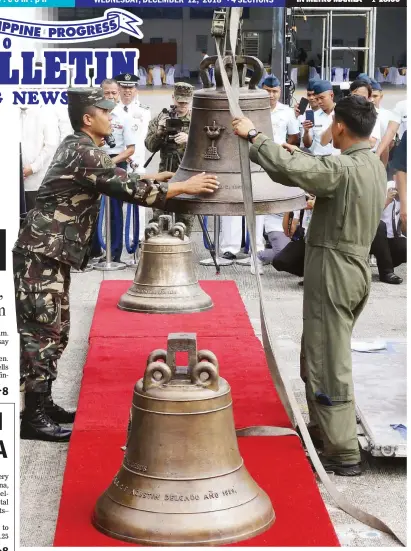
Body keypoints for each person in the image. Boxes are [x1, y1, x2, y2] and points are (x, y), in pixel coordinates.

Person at [14, 87, 219, 443]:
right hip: (40, 256)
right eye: (105, 112)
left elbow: (117, 177)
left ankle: (42, 405)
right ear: (88, 119)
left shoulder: (82, 146)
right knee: (42, 333)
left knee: (55, 331)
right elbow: (127, 189)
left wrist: (157, 178)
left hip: (50, 254)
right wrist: (185, 186)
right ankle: (33, 417)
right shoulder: (82, 151)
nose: (112, 117)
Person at [232, 95, 386, 476]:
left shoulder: (345, 169)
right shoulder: (369, 164)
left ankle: (342, 451)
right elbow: (312, 170)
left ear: (340, 127)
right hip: (347, 268)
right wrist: (280, 151)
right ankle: (323, 431)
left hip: (335, 269)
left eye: (331, 122)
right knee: (316, 352)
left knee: (329, 362)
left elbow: (313, 173)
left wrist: (254, 136)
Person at [145, 82, 195, 235]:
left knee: (184, 220)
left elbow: (207, 147)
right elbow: (150, 146)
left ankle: (183, 250)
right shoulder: (161, 118)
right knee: (158, 218)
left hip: (186, 174)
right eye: (180, 102)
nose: (183, 105)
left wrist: (190, 138)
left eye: (186, 102)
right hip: (164, 174)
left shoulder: (196, 119)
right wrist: (159, 133)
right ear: (173, 98)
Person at [20, 105, 59, 212]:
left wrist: (32, 168)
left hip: (36, 183)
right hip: (11, 183)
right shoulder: (9, 112)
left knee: (33, 221)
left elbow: (51, 145)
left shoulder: (45, 113)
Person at [370, 179, 406, 284]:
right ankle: (386, 272)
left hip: (392, 239)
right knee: (380, 225)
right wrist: (386, 201)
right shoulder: (383, 187)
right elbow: (369, 215)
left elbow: (404, 230)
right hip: (374, 236)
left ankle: (383, 262)